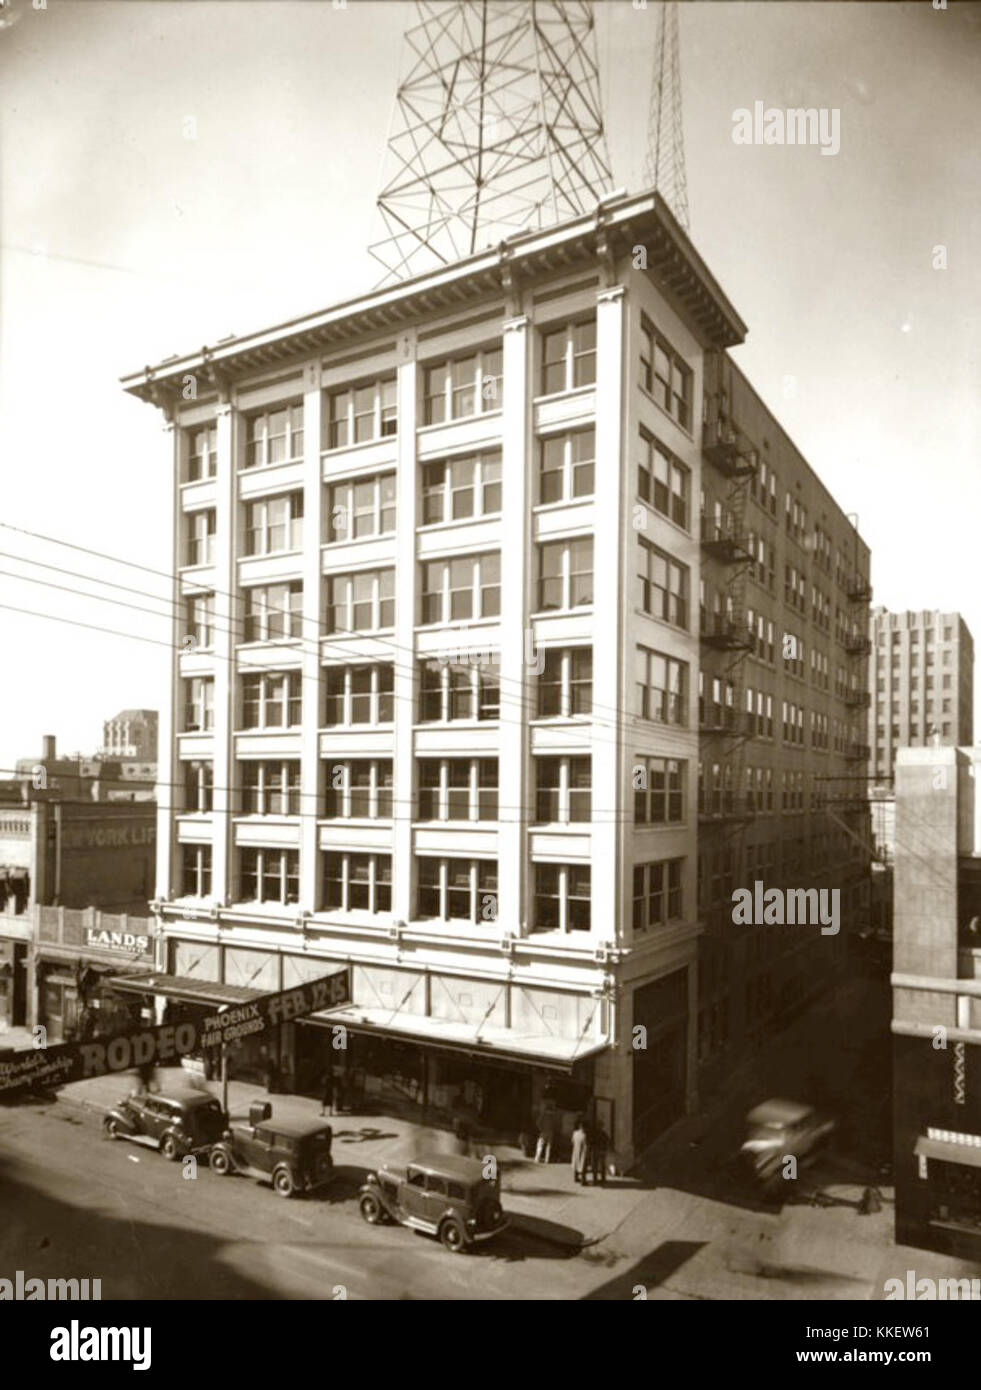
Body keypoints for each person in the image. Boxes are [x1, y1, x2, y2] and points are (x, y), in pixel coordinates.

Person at [535, 1098, 557, 1164]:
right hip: (550, 1133)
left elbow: (538, 1123)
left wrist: (540, 1129)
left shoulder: (543, 1116)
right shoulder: (553, 1117)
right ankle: (547, 1160)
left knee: (540, 1145)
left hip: (543, 1132)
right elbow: (555, 1125)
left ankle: (537, 1158)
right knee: (549, 1146)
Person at [590, 1123, 610, 1187]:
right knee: (602, 1166)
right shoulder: (603, 1134)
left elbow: (591, 1142)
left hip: (596, 1151)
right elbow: (607, 1141)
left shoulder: (594, 1134)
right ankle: (602, 1179)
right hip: (601, 1151)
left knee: (595, 1166)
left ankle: (595, 1180)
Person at [570, 1115, 589, 1184]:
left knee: (575, 1164)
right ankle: (583, 1180)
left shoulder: (575, 1133)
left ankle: (575, 1177)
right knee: (583, 1165)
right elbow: (586, 1144)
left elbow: (572, 1141)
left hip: (575, 1151)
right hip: (582, 1152)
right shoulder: (584, 1135)